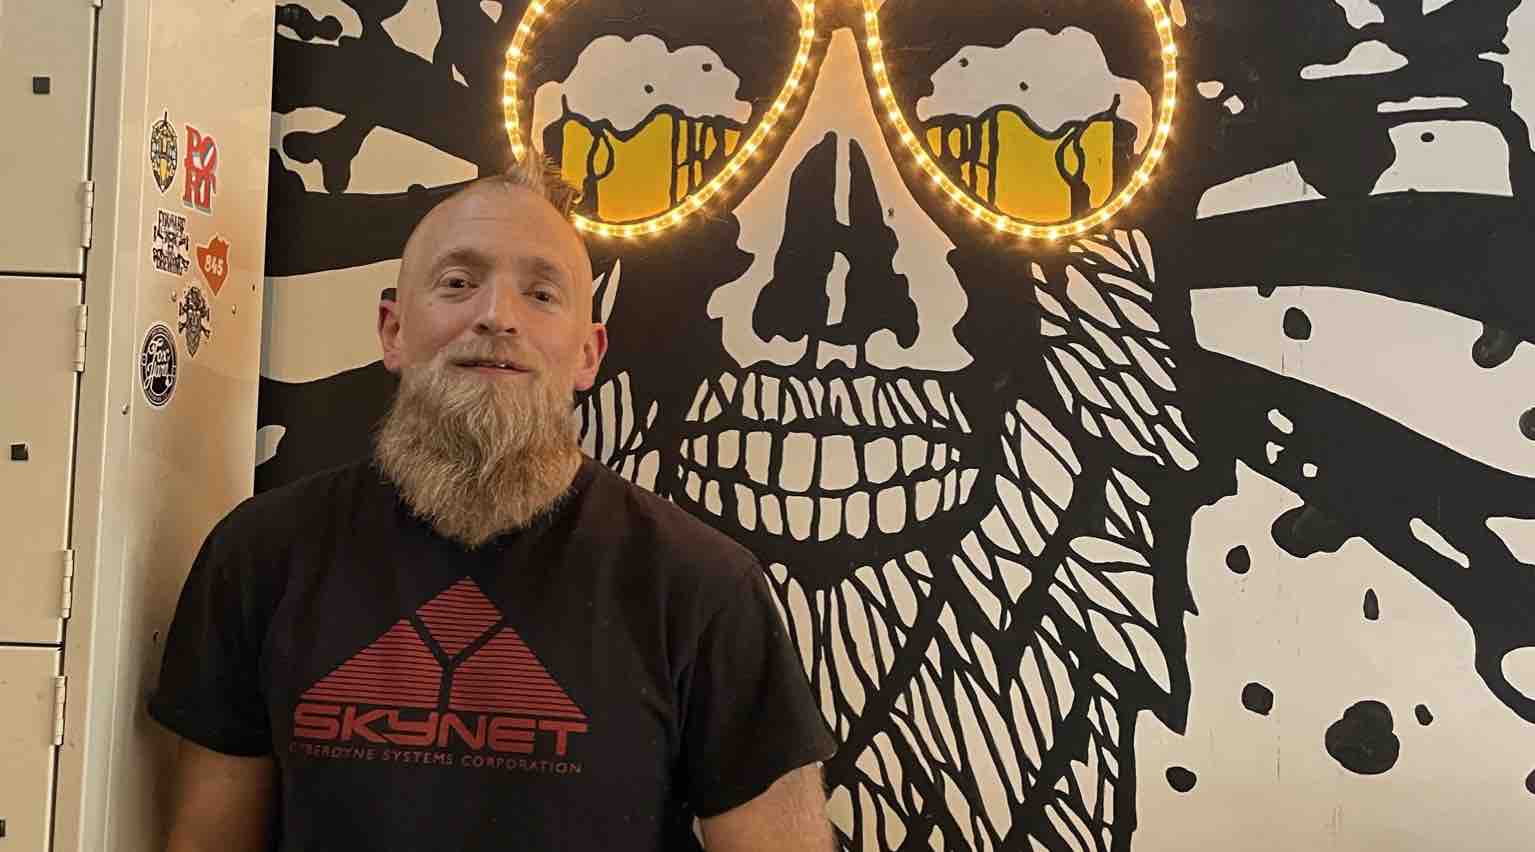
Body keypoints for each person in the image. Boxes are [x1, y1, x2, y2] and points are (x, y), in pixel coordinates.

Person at [149, 157, 839, 851]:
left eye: (541, 294)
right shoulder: (263, 555)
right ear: (393, 330)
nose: (495, 316)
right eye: (458, 282)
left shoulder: (700, 586)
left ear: (588, 354)